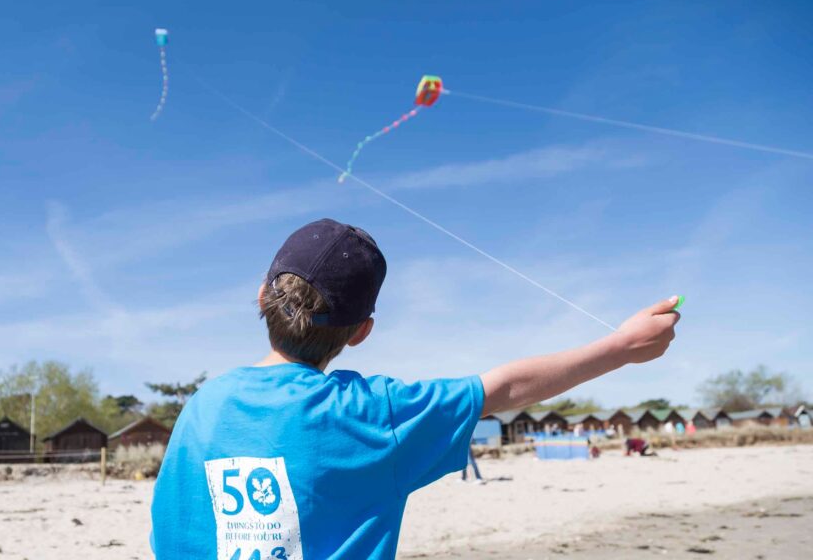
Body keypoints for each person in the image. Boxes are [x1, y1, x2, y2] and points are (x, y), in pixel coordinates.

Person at [151, 218, 679, 559]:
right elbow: (506, 387)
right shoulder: (375, 414)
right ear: (362, 332)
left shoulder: (201, 407)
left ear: (262, 293)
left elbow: (166, 533)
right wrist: (623, 349)